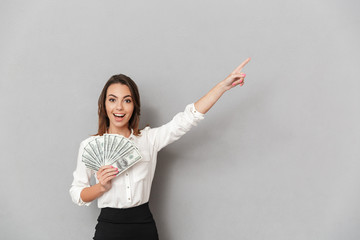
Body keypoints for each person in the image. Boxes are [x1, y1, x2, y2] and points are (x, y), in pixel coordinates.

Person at [69, 57, 251, 240]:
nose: (119, 107)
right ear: (104, 104)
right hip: (109, 228)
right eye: (112, 99)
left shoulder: (149, 139)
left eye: (127, 100)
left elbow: (188, 119)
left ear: (134, 106)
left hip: (143, 226)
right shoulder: (89, 146)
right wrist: (101, 187)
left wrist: (222, 87)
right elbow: (77, 193)